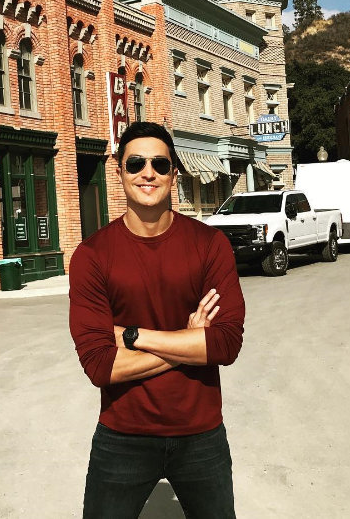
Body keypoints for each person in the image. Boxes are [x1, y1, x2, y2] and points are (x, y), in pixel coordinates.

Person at [69, 121, 245, 519]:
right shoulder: (92, 256)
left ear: (173, 174)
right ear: (120, 172)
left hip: (201, 433)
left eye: (159, 164)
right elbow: (100, 366)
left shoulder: (210, 245)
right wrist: (189, 341)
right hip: (123, 435)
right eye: (136, 163)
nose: (148, 173)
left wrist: (132, 336)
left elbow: (225, 344)